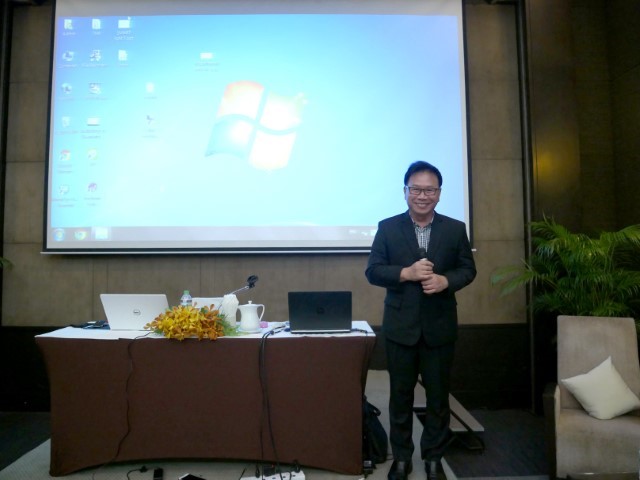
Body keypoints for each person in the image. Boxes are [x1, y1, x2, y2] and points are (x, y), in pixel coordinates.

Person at [365, 161, 476, 480]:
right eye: (416, 189)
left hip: (439, 328)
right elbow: (373, 271)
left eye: (429, 190)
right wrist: (406, 273)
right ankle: (402, 458)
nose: (422, 196)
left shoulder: (455, 229)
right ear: (405, 192)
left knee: (438, 399)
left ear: (439, 194)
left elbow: (468, 270)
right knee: (400, 397)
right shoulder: (388, 228)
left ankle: (433, 458)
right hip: (400, 328)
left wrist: (446, 281)